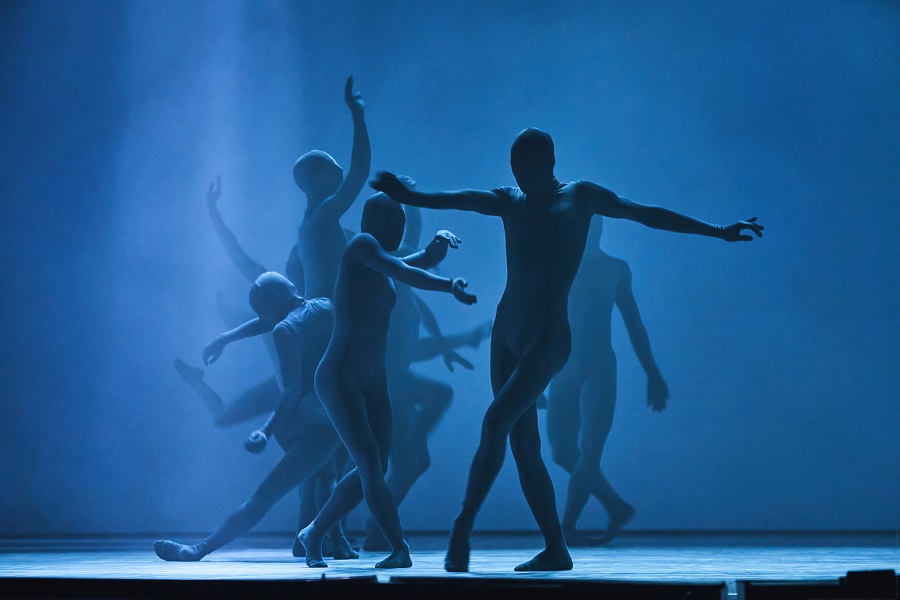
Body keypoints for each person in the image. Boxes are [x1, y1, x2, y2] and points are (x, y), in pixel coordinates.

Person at [371, 126, 764, 572]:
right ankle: (556, 548)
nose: (519, 175)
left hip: (549, 335)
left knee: (496, 420)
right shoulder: (509, 201)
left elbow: (646, 214)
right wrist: (408, 196)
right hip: (507, 330)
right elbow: (456, 199)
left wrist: (718, 231)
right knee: (523, 442)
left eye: (527, 167)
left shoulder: (581, 198)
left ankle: (462, 527)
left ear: (549, 163)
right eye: (514, 167)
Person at [296, 194, 477, 569]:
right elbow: (408, 272)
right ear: (371, 222)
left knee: (373, 466)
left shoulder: (379, 262)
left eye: (402, 221)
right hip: (341, 375)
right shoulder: (361, 246)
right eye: (392, 220)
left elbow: (411, 264)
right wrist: (448, 285)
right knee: (368, 463)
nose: (399, 227)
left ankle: (314, 532)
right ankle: (399, 547)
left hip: (373, 379)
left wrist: (436, 247)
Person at [154, 273, 357, 562]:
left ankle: (199, 550)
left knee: (269, 495)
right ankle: (336, 542)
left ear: (268, 308)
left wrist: (266, 430)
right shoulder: (325, 307)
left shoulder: (284, 330)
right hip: (330, 416)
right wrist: (226, 337)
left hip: (310, 423)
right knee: (325, 476)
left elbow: (290, 391)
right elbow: (276, 319)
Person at [546, 217, 668, 546]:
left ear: (600, 228)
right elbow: (539, 321)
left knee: (589, 450)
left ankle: (567, 528)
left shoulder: (615, 268)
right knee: (561, 451)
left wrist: (652, 373)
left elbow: (634, 324)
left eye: (594, 224)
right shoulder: (557, 266)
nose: (589, 230)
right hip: (563, 368)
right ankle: (616, 506)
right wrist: (530, 376)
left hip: (598, 367)